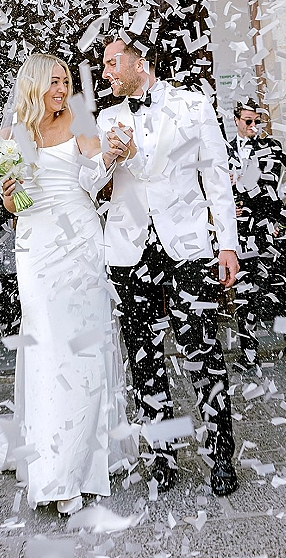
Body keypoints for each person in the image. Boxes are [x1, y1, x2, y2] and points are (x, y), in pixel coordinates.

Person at [0, 53, 134, 515]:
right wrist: (6, 195)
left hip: (80, 242)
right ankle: (54, 470)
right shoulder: (13, 134)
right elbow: (14, 206)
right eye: (54, 82)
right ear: (34, 85)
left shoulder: (80, 121)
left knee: (81, 349)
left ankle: (80, 465)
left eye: (65, 81)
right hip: (36, 248)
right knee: (47, 352)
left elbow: (95, 180)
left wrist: (114, 157)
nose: (62, 89)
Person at [97, 35, 240, 497]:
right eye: (103, 66)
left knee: (203, 351)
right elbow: (94, 181)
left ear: (141, 60)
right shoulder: (107, 117)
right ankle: (162, 458)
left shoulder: (195, 106)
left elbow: (217, 175)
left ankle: (221, 455)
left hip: (189, 246)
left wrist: (228, 244)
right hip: (129, 249)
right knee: (145, 358)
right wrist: (111, 158)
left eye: (112, 62)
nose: (106, 73)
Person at [228, 99, 286, 375]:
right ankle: (249, 355)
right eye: (247, 121)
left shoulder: (272, 147)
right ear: (236, 120)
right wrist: (230, 205)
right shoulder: (225, 151)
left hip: (271, 232)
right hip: (241, 234)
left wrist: (284, 219)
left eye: (256, 121)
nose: (253, 126)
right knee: (244, 295)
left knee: (282, 293)